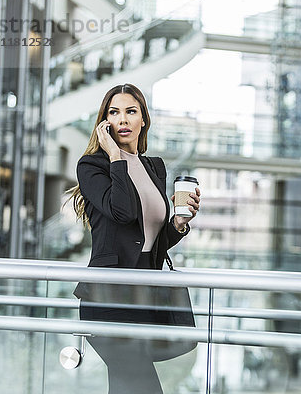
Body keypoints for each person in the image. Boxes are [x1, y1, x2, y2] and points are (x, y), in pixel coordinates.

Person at [65, 83, 200, 394]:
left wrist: (178, 224)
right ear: (105, 123)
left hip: (145, 298)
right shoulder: (92, 166)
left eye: (130, 111)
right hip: (107, 299)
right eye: (114, 112)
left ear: (143, 120)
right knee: (144, 389)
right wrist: (115, 155)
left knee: (126, 388)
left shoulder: (155, 167)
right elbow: (121, 212)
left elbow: (151, 242)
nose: (122, 119)